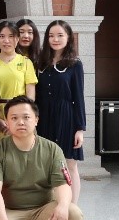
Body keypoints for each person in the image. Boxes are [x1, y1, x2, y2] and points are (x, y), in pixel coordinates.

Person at [36, 20, 85, 204]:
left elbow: (79, 97)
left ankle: (72, 208)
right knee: (46, 164)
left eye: (60, 35)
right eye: (51, 35)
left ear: (68, 37)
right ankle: (51, 206)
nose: (55, 39)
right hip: (44, 117)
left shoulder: (75, 64)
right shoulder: (40, 63)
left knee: (70, 165)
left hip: (66, 117)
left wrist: (80, 128)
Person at [0, 21, 37, 140]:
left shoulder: (26, 62)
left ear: (17, 39)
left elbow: (30, 97)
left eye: (11, 36)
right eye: (2, 36)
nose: (6, 40)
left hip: (20, 114)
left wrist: (18, 118)